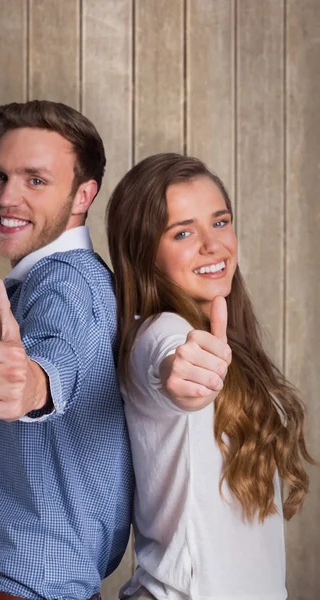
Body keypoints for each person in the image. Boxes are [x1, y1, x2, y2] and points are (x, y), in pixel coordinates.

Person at [106, 153, 315, 600]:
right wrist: (177, 373)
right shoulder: (160, 331)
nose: (212, 245)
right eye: (183, 232)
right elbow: (167, 362)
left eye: (220, 222)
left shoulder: (223, 336)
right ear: (145, 253)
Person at [0, 100, 134, 600]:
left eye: (35, 180)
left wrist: (33, 384)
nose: (6, 197)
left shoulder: (65, 282)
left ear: (82, 195)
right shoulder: (69, 278)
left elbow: (57, 361)